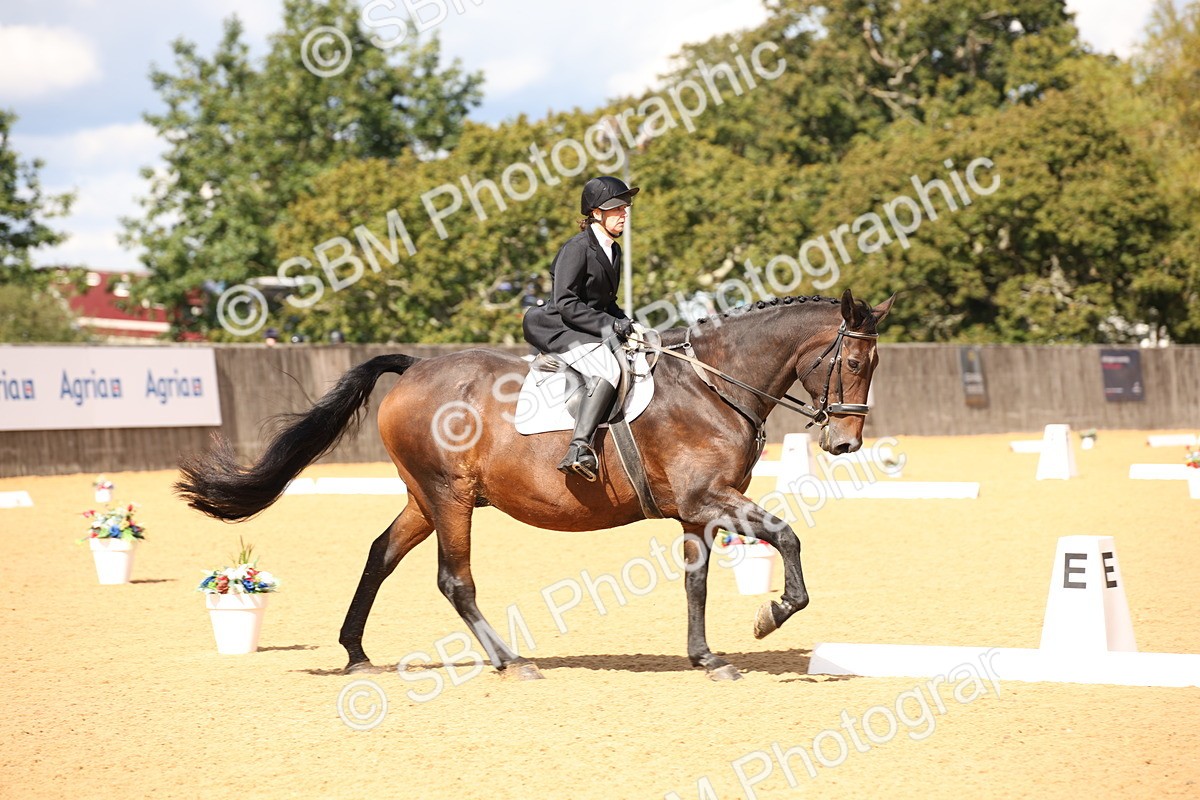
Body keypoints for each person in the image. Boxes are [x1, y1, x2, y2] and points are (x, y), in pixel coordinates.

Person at [523, 176, 639, 481]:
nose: (623, 213)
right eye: (616, 209)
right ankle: (578, 448)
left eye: (625, 207)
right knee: (608, 369)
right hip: (556, 325)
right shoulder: (577, 248)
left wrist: (628, 322)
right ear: (595, 213)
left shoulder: (613, 250)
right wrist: (609, 325)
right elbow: (565, 302)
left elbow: (605, 303)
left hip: (585, 325)